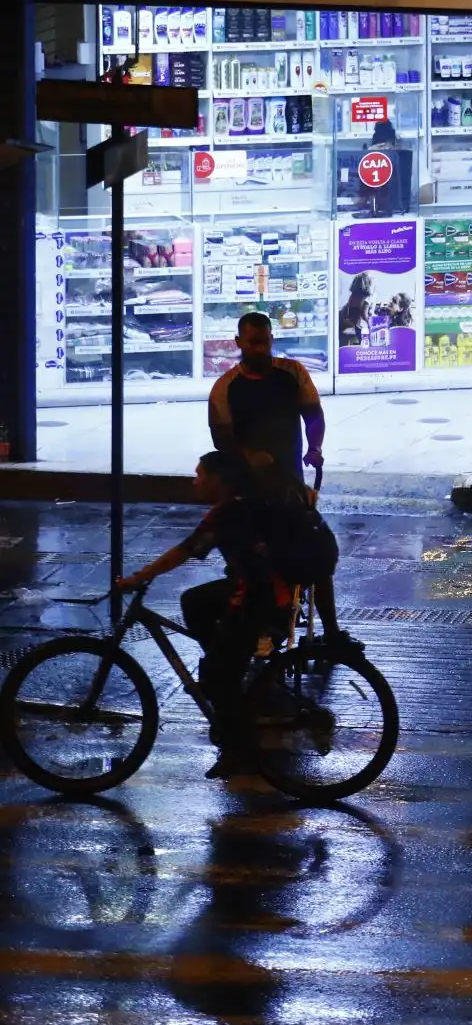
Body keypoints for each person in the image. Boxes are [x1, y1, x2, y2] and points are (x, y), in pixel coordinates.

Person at [116, 451, 290, 780]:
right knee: (195, 601)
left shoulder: (228, 513)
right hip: (263, 589)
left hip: (258, 597)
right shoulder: (241, 504)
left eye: (200, 475)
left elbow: (184, 550)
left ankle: (238, 749)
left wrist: (138, 578)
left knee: (215, 675)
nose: (195, 481)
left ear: (218, 481)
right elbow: (190, 549)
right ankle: (228, 662)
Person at [208, 311, 356, 653]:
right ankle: (256, 630)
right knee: (252, 564)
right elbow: (222, 440)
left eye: (266, 341)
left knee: (316, 554)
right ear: (239, 343)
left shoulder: (292, 374)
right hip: (248, 492)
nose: (260, 349)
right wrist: (248, 457)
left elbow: (313, 415)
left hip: (289, 487)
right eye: (253, 342)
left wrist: (314, 446)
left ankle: (330, 631)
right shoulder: (226, 388)